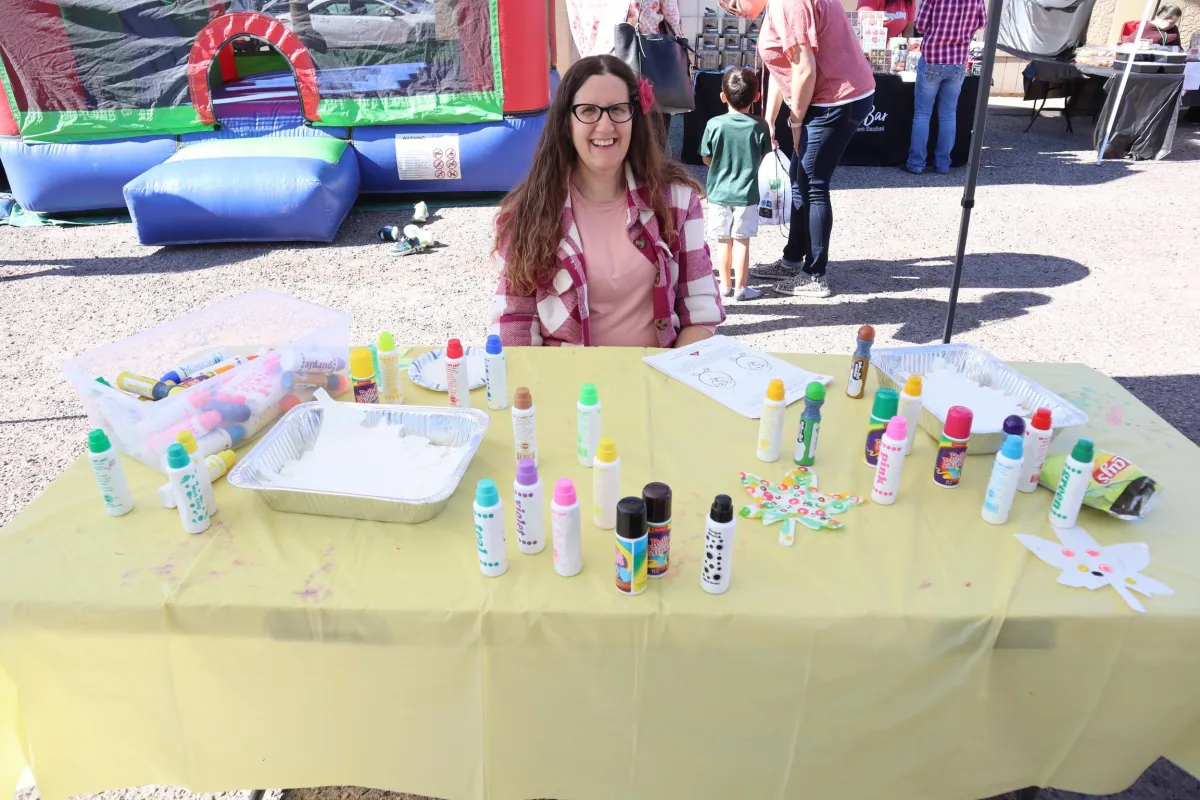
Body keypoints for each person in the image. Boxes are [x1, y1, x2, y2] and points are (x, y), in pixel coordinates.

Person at [490, 55, 724, 348]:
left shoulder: (676, 201)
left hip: (658, 382)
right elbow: (515, 325)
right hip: (569, 389)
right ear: (566, 122)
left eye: (617, 109)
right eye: (588, 111)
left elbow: (700, 313)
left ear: (634, 117)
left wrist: (669, 384)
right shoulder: (526, 212)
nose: (605, 125)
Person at [724, 0, 876, 299]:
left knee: (813, 184)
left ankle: (815, 275)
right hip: (830, 97)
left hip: (834, 100)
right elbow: (787, 67)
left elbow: (804, 70)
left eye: (734, 2)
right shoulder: (778, 6)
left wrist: (795, 120)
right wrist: (769, 118)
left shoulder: (786, 4)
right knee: (799, 180)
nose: (733, 10)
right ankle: (793, 259)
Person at [700, 67, 773, 303]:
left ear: (723, 96)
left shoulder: (714, 124)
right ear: (756, 97)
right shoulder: (760, 125)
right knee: (742, 241)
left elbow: (706, 157)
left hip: (719, 192)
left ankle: (724, 285)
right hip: (747, 194)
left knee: (723, 241)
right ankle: (742, 288)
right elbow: (765, 154)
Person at [904, 0, 986, 175]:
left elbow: (920, 25)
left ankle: (917, 163)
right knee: (949, 114)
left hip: (933, 59)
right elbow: (982, 22)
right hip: (958, 61)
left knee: (922, 114)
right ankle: (942, 164)